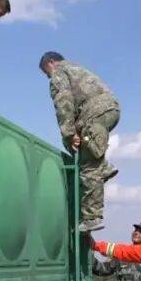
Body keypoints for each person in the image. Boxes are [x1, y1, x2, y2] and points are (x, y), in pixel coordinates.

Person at [38, 52, 119, 232]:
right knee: (90, 152)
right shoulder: (75, 68)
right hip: (109, 110)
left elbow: (63, 102)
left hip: (93, 114)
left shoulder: (59, 72)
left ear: (51, 62)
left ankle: (92, 217)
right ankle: (105, 167)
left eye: (45, 72)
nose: (48, 77)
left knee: (88, 167)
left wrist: (68, 133)